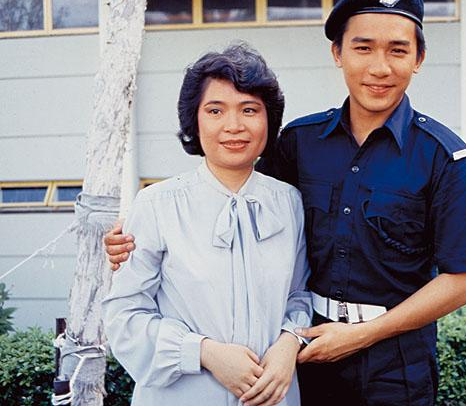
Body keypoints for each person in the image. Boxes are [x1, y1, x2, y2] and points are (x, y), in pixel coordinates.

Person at [105, 0, 466, 405]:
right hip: (307, 360)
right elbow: (236, 197)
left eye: (398, 50)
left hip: (393, 365)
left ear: (419, 58)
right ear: (337, 53)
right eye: (363, 48)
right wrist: (130, 241)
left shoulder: (443, 156)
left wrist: (360, 335)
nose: (380, 68)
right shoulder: (300, 143)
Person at [102, 43, 312, 406]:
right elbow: (124, 317)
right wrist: (203, 352)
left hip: (273, 395)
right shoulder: (156, 205)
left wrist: (290, 342)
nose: (234, 126)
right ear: (194, 121)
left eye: (249, 110)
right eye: (215, 110)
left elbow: (299, 295)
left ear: (269, 120)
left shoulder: (289, 203)